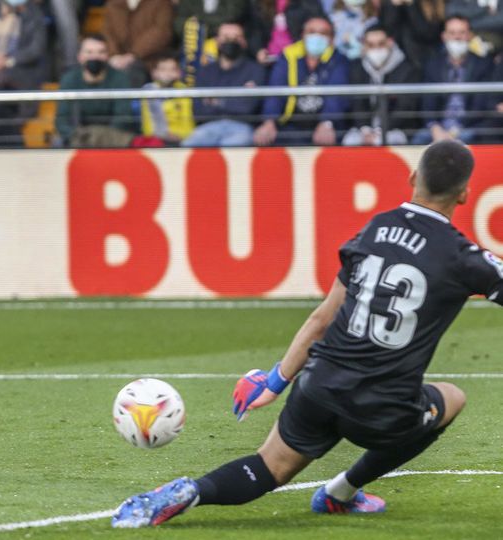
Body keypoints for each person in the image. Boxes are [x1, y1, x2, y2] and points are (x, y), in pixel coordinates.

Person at [112, 140, 498, 527]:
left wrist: (275, 381)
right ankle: (341, 491)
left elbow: (323, 318)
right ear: (464, 195)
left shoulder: (376, 228)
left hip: (320, 383)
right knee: (453, 397)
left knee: (269, 467)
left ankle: (193, 491)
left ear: (414, 178)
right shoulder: (464, 258)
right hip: (382, 408)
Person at [254, 15, 349, 146]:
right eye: (311, 32)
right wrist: (269, 121)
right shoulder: (288, 56)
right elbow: (275, 90)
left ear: (332, 39)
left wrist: (327, 123)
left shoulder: (338, 60)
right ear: (302, 35)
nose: (316, 36)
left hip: (325, 123)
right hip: (290, 123)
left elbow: (336, 95)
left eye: (323, 33)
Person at [181, 22, 266, 147]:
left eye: (236, 38)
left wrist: (216, 101)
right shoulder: (205, 71)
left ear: (244, 42)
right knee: (187, 146)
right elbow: (198, 110)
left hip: (242, 127)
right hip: (208, 127)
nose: (231, 41)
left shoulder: (255, 70)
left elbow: (248, 108)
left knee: (231, 147)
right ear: (216, 41)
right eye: (226, 37)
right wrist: (234, 101)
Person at [411, 15, 493, 144]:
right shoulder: (433, 65)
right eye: (452, 33)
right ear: (444, 36)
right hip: (438, 129)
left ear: (470, 35)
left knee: (471, 137)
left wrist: (455, 132)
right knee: (419, 139)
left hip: (468, 127)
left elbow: (480, 106)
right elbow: (427, 103)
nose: (457, 37)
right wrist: (435, 128)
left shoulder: (483, 65)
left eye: (462, 32)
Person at [343, 24, 420, 146]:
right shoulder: (358, 68)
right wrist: (365, 129)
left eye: (381, 44)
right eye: (371, 45)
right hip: (366, 129)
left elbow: (405, 108)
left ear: (390, 42)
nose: (376, 49)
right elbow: (357, 104)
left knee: (384, 141)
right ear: (364, 45)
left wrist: (381, 131)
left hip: (396, 129)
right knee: (350, 141)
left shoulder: (407, 69)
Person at [55, 34, 134, 148]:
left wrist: (100, 137)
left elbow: (124, 116)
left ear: (107, 55)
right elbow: (62, 119)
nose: (95, 57)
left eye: (101, 52)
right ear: (80, 56)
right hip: (79, 138)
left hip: (113, 139)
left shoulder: (120, 78)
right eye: (89, 52)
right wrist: (76, 135)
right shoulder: (69, 79)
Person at [102, 0, 174, 87]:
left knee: (134, 71)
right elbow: (107, 32)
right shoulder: (113, 4)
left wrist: (134, 54)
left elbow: (162, 32)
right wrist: (114, 55)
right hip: (117, 59)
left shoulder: (161, 3)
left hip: (150, 59)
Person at [140, 55, 195, 145]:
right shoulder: (149, 90)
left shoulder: (184, 91)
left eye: (172, 70)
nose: (167, 73)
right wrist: (163, 135)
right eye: (163, 69)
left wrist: (179, 135)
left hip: (181, 139)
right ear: (154, 73)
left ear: (179, 73)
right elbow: (147, 125)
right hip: (155, 139)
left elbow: (187, 123)